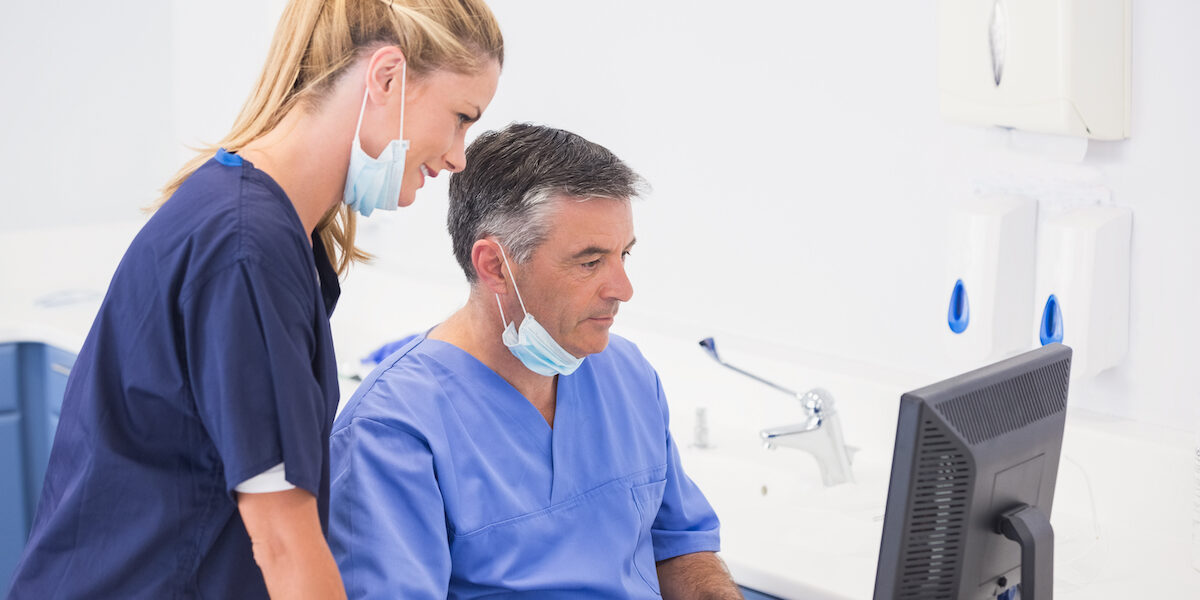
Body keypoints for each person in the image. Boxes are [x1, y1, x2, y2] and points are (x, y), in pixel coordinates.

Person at [6, 1, 502, 598]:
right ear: (387, 77)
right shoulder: (246, 248)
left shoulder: (260, 220)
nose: (458, 156)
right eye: (460, 117)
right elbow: (284, 545)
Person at [329, 123, 743, 599]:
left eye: (623, 255)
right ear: (495, 265)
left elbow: (679, 545)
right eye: (590, 262)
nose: (622, 290)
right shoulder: (392, 431)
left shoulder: (624, 376)